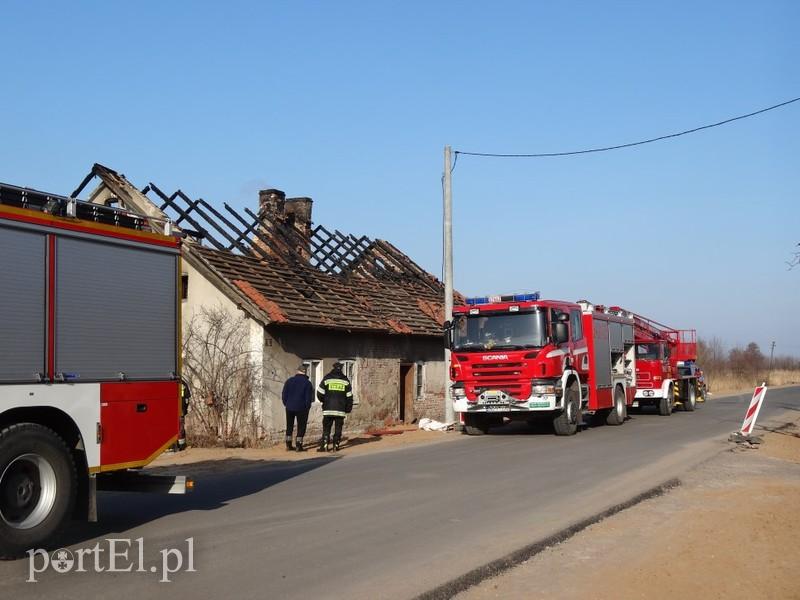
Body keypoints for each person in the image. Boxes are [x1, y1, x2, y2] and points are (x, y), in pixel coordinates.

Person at [316, 361, 354, 452]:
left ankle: (324, 446)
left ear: (333, 368)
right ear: (341, 369)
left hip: (328, 409)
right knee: (338, 428)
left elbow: (319, 393)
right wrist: (348, 408)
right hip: (340, 410)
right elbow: (349, 397)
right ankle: (335, 446)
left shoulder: (327, 379)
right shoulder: (345, 381)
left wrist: (324, 401)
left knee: (326, 428)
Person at [282, 363, 313, 452]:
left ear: (297, 371)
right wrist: (307, 407)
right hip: (302, 408)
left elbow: (284, 395)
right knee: (301, 426)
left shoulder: (289, 381)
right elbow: (308, 398)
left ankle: (288, 444)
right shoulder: (307, 383)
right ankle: (299, 445)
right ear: (305, 372)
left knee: (289, 425)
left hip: (289, 407)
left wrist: (286, 404)